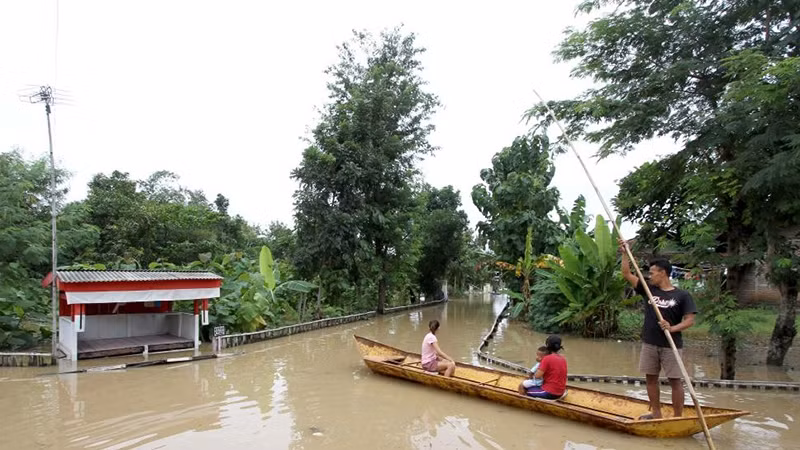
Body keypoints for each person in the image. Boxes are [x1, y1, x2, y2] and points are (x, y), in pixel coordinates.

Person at [619, 240, 697, 419]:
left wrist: (673, 328)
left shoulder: (682, 295)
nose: (650, 275)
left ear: (663, 273)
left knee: (675, 381)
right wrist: (625, 253)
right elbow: (626, 273)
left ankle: (678, 417)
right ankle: (656, 413)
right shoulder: (649, 289)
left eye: (653, 273)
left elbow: (690, 320)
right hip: (650, 343)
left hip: (671, 345)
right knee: (651, 379)